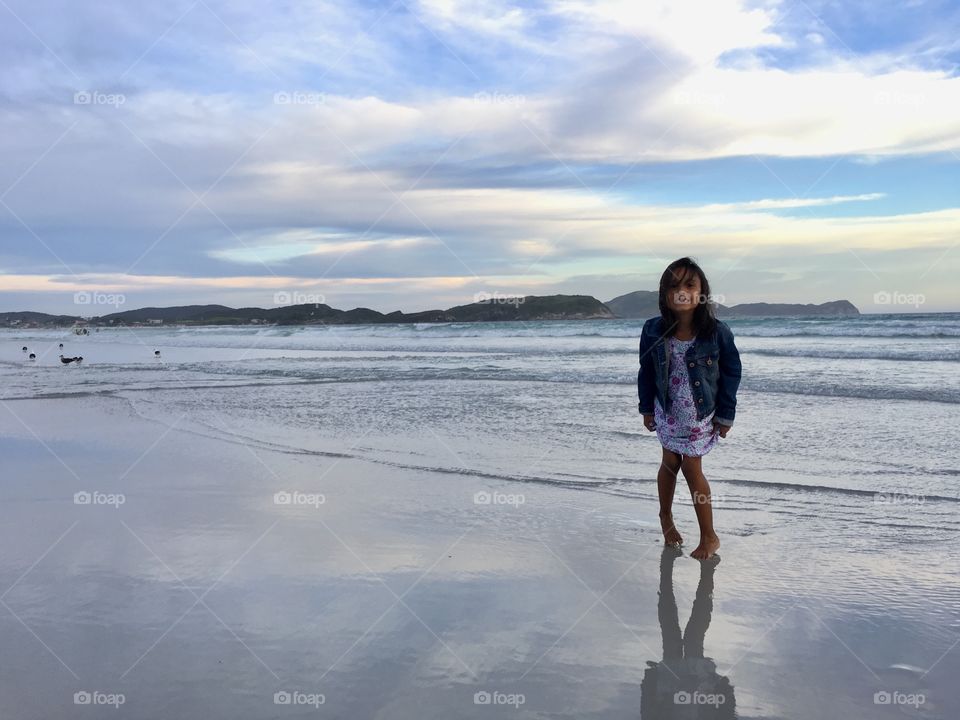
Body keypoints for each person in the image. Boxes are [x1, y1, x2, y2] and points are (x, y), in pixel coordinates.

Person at [638, 257, 742, 560]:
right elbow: (646, 370)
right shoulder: (652, 329)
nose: (681, 292)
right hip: (667, 409)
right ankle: (666, 518)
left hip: (700, 413)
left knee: (691, 467)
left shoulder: (717, 332)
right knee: (669, 462)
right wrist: (646, 408)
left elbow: (732, 372)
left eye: (689, 285)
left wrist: (726, 414)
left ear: (702, 292)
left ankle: (709, 536)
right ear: (664, 294)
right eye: (673, 286)